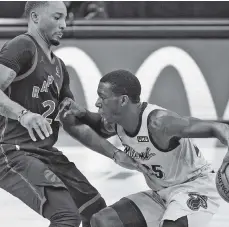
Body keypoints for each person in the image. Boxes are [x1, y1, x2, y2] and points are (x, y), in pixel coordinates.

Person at [60, 69, 229, 227]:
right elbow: (97, 127)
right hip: (161, 194)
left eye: (102, 97)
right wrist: (82, 114)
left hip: (195, 187)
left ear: (123, 100)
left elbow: (217, 127)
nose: (97, 102)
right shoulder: (117, 121)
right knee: (102, 221)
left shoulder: (160, 123)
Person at [0, 2, 139, 227]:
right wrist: (23, 114)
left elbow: (73, 125)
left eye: (65, 18)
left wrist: (116, 155)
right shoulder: (22, 46)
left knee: (97, 213)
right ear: (35, 17)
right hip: (11, 151)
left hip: (45, 153)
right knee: (66, 217)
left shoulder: (59, 68)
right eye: (56, 18)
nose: (63, 25)